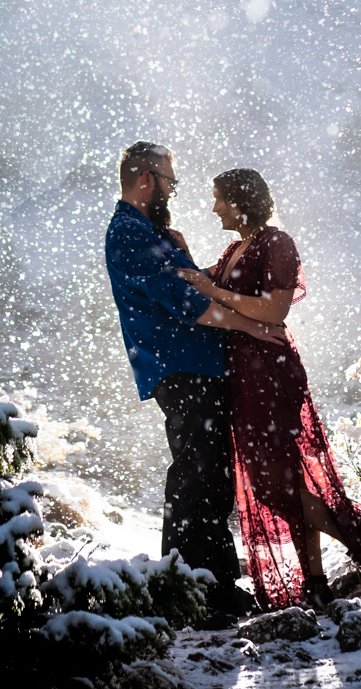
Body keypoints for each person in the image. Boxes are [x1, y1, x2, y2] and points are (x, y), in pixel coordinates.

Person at [177, 168, 361, 612]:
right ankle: (315, 583)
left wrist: (211, 289)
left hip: (269, 374)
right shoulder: (234, 248)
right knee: (286, 482)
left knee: (272, 488)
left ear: (241, 200)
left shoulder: (275, 242)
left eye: (220, 198)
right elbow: (207, 283)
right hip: (244, 375)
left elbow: (275, 308)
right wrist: (183, 257)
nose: (214, 207)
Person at [103, 142, 283, 628]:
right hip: (180, 367)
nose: (173, 190)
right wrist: (249, 325)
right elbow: (184, 302)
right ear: (146, 180)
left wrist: (189, 258)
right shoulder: (128, 233)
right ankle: (194, 591)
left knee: (210, 473)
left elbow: (191, 282)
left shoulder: (148, 232)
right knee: (196, 472)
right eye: (169, 181)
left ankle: (213, 585)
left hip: (196, 364)